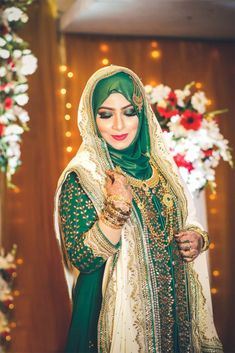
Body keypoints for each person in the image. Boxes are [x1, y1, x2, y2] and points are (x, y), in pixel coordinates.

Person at [54, 65, 223, 353]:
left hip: (174, 313)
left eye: (129, 112)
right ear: (92, 120)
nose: (119, 125)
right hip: (112, 313)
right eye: (106, 114)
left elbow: (187, 220)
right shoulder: (83, 176)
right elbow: (82, 258)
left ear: (142, 113)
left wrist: (196, 239)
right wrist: (116, 209)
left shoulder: (162, 168)